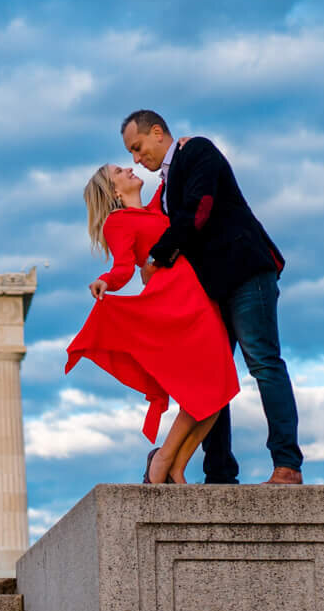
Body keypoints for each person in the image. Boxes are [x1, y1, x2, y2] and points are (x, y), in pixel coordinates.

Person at [121, 109, 303, 485]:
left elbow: (199, 212)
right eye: (131, 155)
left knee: (263, 363)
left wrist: (158, 257)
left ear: (158, 132)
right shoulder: (164, 189)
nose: (136, 160)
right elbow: (147, 222)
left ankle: (287, 465)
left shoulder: (197, 150)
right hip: (211, 291)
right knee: (211, 376)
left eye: (138, 148)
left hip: (245, 272)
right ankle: (219, 472)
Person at [67, 162, 239, 484]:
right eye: (118, 172)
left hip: (200, 297)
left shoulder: (157, 205)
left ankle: (173, 465)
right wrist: (105, 281)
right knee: (208, 387)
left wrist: (183, 152)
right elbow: (122, 268)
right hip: (174, 301)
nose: (128, 169)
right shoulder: (118, 222)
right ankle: (162, 463)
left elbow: (174, 174)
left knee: (222, 388)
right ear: (114, 192)